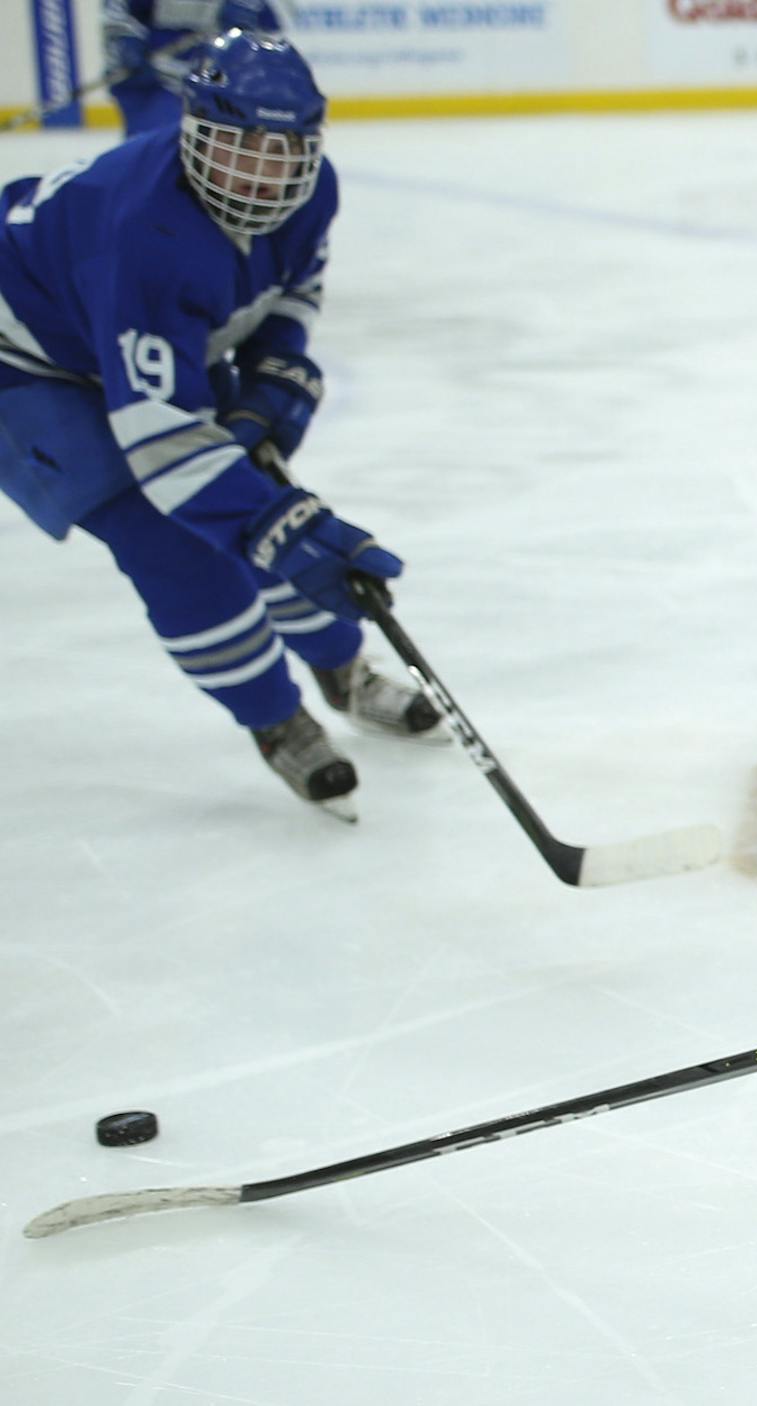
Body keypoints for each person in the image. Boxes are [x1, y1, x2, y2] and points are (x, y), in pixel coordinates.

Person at [0, 30, 438, 821]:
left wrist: (275, 369)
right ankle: (277, 720)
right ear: (194, 132)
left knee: (262, 502)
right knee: (175, 537)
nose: (262, 175)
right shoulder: (143, 233)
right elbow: (163, 447)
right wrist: (272, 525)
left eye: (284, 151)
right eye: (238, 147)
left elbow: (293, 288)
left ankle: (345, 673)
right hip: (27, 360)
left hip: (130, 330)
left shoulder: (315, 192)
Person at [102, 1, 287, 137]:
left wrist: (248, 30)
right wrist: (126, 46)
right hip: (156, 82)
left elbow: (274, 38)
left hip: (223, 88)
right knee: (157, 149)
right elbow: (117, 15)